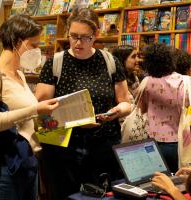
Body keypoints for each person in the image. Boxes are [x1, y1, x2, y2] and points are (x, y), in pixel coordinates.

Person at [35, 7, 131, 200]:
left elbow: (126, 103)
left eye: (84, 37)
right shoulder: (55, 63)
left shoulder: (109, 61)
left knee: (102, 196)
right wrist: (77, 121)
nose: (77, 43)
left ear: (95, 35)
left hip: (103, 146)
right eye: (73, 36)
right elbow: (41, 108)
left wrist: (115, 112)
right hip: (64, 149)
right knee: (65, 195)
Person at [0, 14, 59, 200]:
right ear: (16, 42)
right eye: (34, 45)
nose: (37, 51)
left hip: (28, 161)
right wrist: (35, 109)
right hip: (7, 166)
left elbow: (27, 119)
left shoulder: (19, 74)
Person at [139, 43, 188, 173]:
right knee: (178, 179)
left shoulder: (146, 82)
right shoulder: (184, 81)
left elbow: (142, 109)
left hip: (152, 142)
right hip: (177, 142)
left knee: (156, 181)